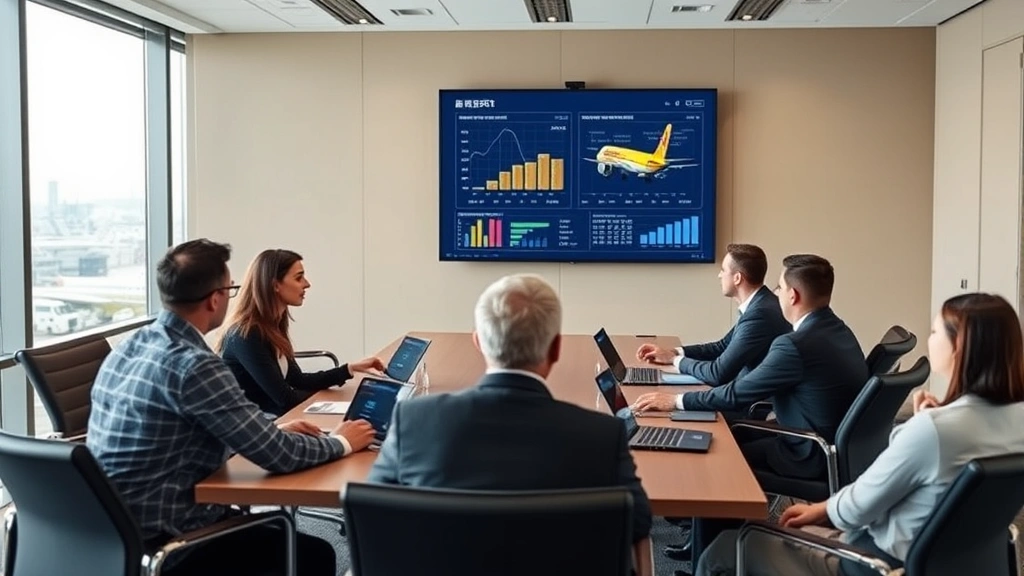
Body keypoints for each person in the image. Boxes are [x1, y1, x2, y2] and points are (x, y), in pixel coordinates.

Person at [87, 239, 377, 576]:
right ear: (215, 299)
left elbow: (179, 435)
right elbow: (280, 457)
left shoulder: (128, 348)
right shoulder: (194, 365)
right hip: (172, 539)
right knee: (315, 554)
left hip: (109, 531)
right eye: (230, 288)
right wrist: (342, 442)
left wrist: (272, 430)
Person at [694, 292, 1024, 576]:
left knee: (725, 548)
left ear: (959, 346)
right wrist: (928, 424)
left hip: (874, 562)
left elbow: (857, 510)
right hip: (959, 562)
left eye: (936, 330)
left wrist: (818, 510)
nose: (930, 336)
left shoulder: (934, 432)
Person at [367, 273, 653, 574]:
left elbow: (375, 516)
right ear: (556, 348)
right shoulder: (602, 434)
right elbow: (638, 521)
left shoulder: (414, 420)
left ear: (478, 341)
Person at [634, 254, 867, 482]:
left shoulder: (794, 346)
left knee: (713, 453)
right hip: (830, 448)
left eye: (780, 287)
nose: (776, 294)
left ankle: (713, 518)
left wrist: (675, 402)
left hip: (805, 454)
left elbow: (736, 393)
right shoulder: (840, 330)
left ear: (793, 296)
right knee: (726, 436)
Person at [217, 249, 385, 416]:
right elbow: (284, 399)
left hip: (273, 419)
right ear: (275, 285)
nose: (307, 284)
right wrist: (335, 404)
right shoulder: (245, 334)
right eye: (299, 278)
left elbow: (298, 380)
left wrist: (349, 369)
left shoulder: (273, 324)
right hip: (257, 428)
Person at [635, 243, 790, 390]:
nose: (719, 275)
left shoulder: (760, 313)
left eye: (723, 270)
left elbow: (717, 374)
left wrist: (673, 360)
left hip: (748, 404)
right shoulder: (760, 304)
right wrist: (674, 352)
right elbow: (721, 347)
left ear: (737, 278)